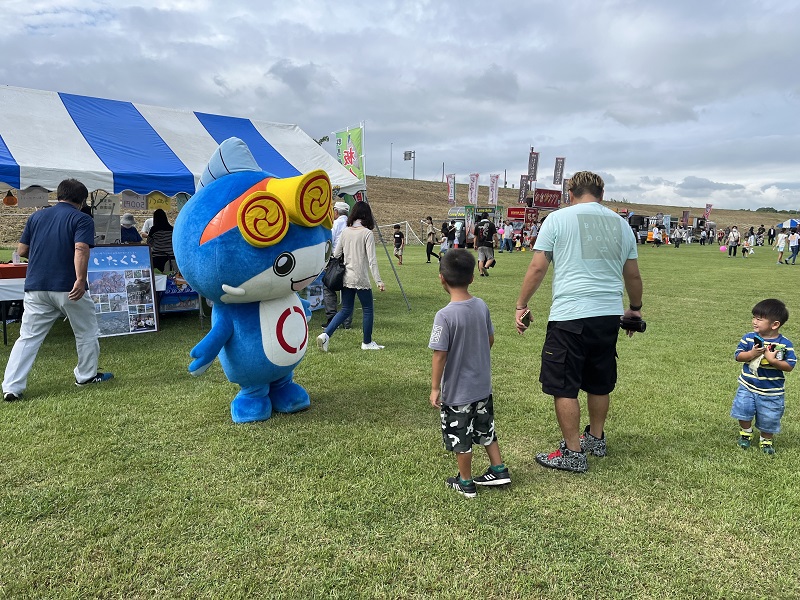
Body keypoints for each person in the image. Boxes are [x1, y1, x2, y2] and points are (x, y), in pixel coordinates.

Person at [514, 171, 642, 473]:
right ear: (602, 193)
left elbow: (537, 267)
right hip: (608, 314)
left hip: (570, 314)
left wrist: (521, 304)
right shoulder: (621, 224)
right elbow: (633, 275)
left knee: (564, 384)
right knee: (599, 381)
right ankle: (596, 438)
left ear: (570, 192)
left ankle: (573, 452)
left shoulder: (558, 219)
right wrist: (634, 309)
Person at [2, 179, 113, 401]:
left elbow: (22, 250)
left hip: (36, 286)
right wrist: (80, 280)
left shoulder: (36, 217)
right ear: (81, 201)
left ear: (58, 194)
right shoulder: (82, 219)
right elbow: (81, 248)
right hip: (67, 286)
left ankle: (12, 387)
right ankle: (86, 376)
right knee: (86, 331)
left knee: (28, 337)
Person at [428, 250, 510, 498]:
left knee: (460, 436)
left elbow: (439, 355)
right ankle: (498, 469)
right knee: (486, 429)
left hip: (458, 392)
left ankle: (465, 482)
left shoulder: (444, 316)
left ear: (441, 278)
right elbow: (490, 340)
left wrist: (435, 388)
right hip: (482, 387)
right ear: (472, 277)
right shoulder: (481, 305)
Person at [317, 201, 385, 352]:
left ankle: (326, 335)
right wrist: (379, 281)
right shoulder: (367, 233)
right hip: (360, 278)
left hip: (346, 276)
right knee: (367, 309)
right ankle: (367, 342)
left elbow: (336, 254)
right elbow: (372, 260)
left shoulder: (346, 231)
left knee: (346, 309)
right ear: (367, 216)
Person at [730, 299, 795, 454]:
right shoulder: (749, 338)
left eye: (759, 319)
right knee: (743, 410)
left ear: (775, 325)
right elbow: (738, 356)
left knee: (769, 417)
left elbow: (789, 366)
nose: (754, 321)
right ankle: (746, 433)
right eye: (754, 317)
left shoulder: (784, 344)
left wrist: (773, 360)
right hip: (747, 385)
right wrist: (751, 353)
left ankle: (766, 440)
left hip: (772, 391)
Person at [322, 201, 352, 330]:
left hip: (336, 259)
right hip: (350, 259)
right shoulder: (351, 225)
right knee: (347, 288)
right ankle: (347, 321)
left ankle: (332, 319)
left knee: (329, 287)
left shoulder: (337, 223)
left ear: (336, 212)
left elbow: (330, 240)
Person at [474, 212, 497, 277]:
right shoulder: (491, 224)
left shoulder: (477, 225)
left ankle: (481, 273)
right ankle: (485, 267)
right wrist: (496, 243)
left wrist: (475, 245)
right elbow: (495, 235)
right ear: (487, 217)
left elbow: (475, 236)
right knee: (491, 258)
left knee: (481, 259)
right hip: (488, 243)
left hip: (479, 244)